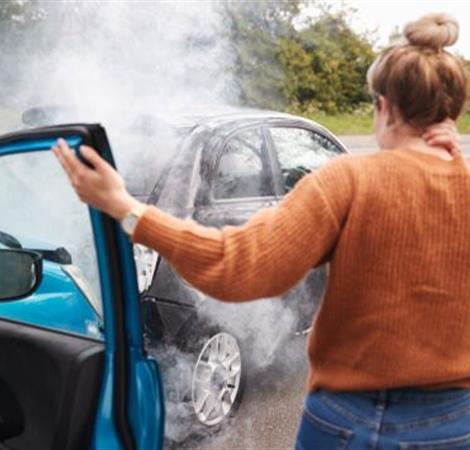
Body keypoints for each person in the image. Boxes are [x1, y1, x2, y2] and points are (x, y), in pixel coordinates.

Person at [54, 12, 470, 449]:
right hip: (455, 424)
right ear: (453, 113)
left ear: (384, 107)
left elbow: (239, 268)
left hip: (349, 424)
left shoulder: (348, 180)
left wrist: (125, 207)